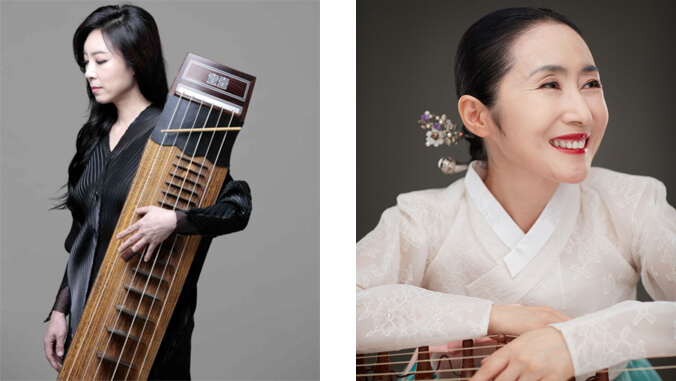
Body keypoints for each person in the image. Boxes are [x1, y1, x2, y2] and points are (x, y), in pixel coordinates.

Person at [356, 7, 676, 381]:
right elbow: (324, 310)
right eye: (550, 84)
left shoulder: (632, 203)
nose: (583, 113)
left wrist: (576, 342)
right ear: (478, 116)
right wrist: (494, 316)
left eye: (591, 84)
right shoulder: (423, 220)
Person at [42, 4, 252, 379]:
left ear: (135, 61)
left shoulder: (175, 134)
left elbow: (237, 208)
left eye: (101, 60)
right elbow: (84, 235)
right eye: (84, 62)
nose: (89, 72)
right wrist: (61, 309)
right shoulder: (92, 139)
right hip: (88, 316)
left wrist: (173, 221)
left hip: (143, 316)